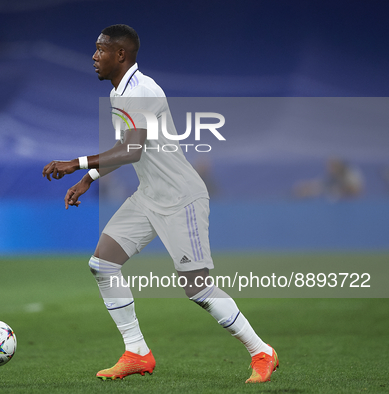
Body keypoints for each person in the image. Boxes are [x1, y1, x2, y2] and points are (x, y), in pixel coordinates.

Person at [42, 24, 278, 383]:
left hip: (181, 198)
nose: (94, 56)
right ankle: (136, 352)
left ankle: (262, 351)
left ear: (120, 54)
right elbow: (127, 151)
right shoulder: (121, 93)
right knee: (102, 264)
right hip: (150, 195)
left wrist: (76, 163)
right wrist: (88, 179)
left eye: (101, 49)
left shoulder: (142, 91)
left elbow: (131, 150)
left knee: (196, 287)